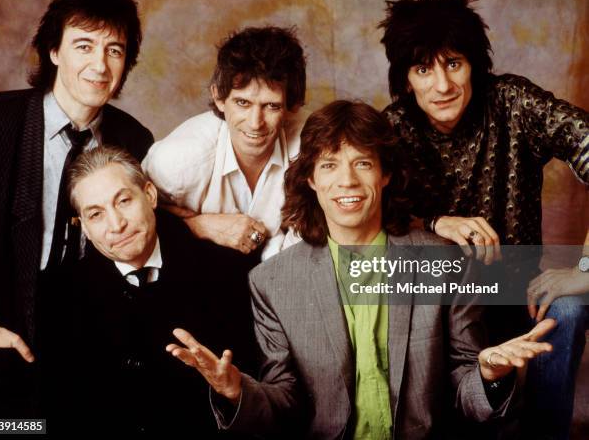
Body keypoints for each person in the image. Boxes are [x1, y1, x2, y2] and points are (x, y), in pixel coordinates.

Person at [166, 101, 555, 439]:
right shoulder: (273, 282)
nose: (347, 181)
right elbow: (284, 404)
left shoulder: (446, 262)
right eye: (330, 165)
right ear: (311, 179)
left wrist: (489, 374)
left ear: (385, 175)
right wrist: (237, 392)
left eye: (363, 163)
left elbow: (464, 390)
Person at [378, 0, 589, 438]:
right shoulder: (391, 129)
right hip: (436, 309)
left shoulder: (511, 101)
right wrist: (434, 222)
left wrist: (587, 267)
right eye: (423, 69)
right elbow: (361, 216)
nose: (442, 84)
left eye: (453, 63)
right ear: (405, 79)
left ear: (474, 63)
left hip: (518, 292)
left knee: (570, 306)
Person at [0, 0, 153, 417]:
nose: (100, 64)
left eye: (114, 50)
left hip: (83, 347)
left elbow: (150, 215)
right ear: (54, 51)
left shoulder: (134, 138)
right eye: (84, 45)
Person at [60, 146, 255, 435]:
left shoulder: (226, 272)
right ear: (85, 228)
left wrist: (234, 391)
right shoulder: (60, 293)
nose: (117, 225)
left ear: (150, 196)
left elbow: (262, 397)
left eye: (124, 201)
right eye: (96, 214)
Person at [142, 26, 306, 260]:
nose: (255, 123)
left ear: (292, 108)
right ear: (219, 97)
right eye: (242, 103)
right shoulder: (177, 159)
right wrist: (200, 226)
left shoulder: (307, 152)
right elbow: (132, 217)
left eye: (271, 106)